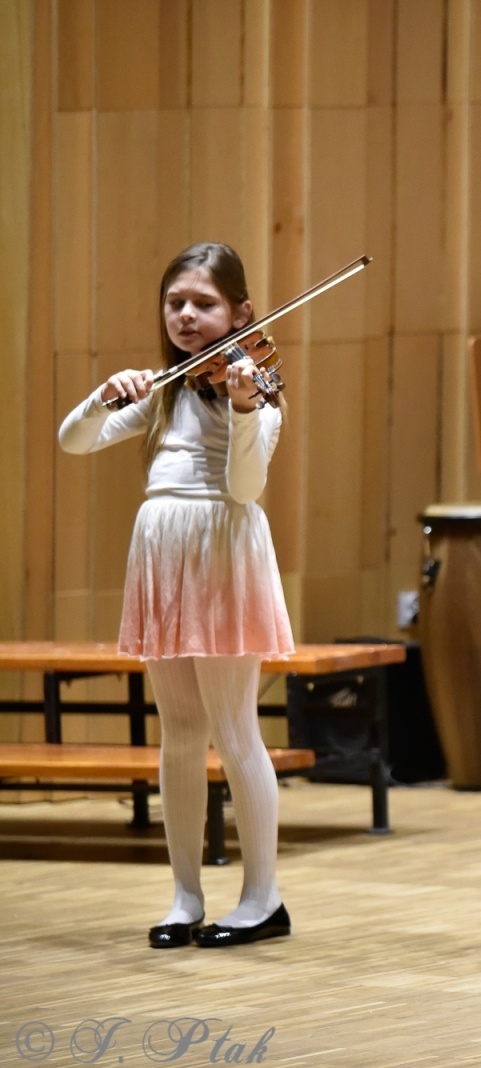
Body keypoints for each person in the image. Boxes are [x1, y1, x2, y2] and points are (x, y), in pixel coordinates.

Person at [58, 242, 294, 949]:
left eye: (204, 304)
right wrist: (104, 394)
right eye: (176, 303)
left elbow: (246, 488)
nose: (187, 316)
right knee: (182, 732)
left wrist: (246, 410)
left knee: (234, 729)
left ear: (241, 313)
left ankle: (262, 899)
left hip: (222, 553)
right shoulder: (162, 390)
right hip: (163, 557)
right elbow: (73, 441)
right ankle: (185, 896)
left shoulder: (257, 392)